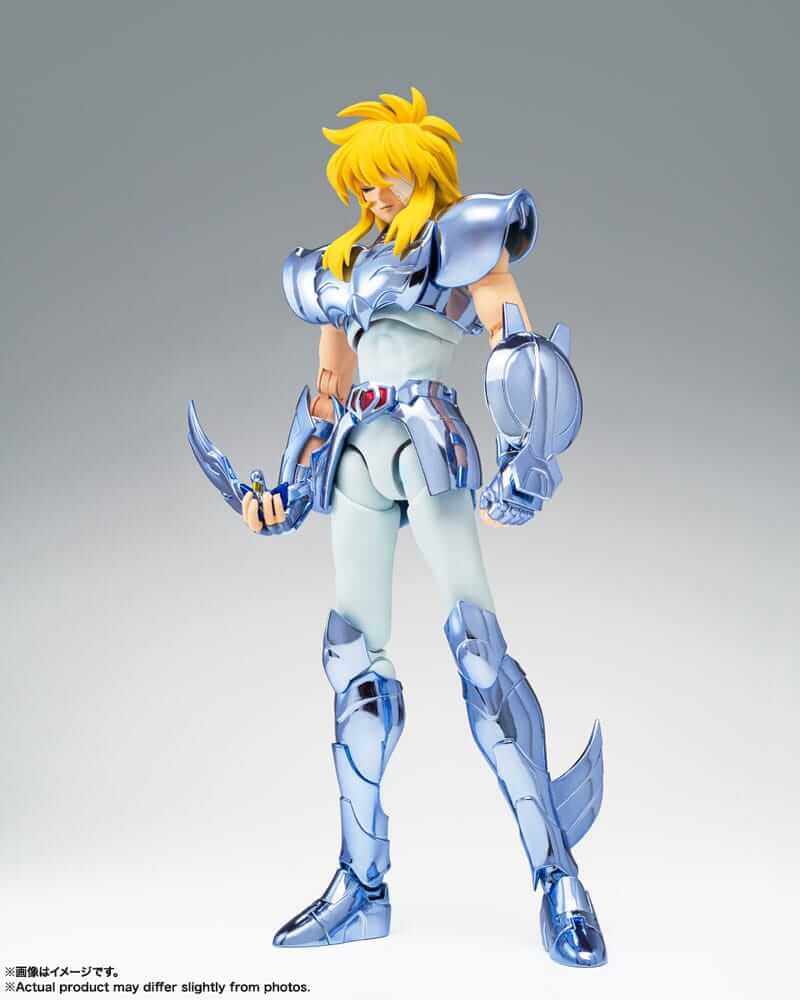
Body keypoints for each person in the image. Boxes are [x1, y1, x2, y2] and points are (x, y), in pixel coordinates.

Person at [189, 87, 606, 967]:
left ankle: (558, 877)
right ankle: (362, 886)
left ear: (424, 171)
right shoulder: (340, 266)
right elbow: (329, 388)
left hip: (428, 444)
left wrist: (528, 453)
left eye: (387, 178)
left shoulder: (458, 239)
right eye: (362, 183)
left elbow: (513, 341)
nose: (373, 194)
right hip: (355, 453)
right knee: (352, 659)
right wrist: (290, 487)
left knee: (478, 649)